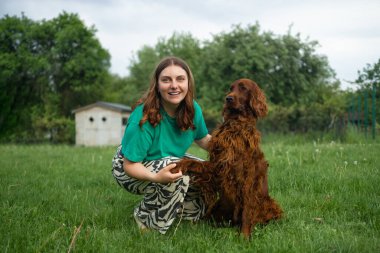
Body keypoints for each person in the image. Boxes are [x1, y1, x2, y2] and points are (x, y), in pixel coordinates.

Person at [112, 56, 211, 234]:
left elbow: (203, 139)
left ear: (188, 82)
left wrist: (234, 150)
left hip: (166, 160)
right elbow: (130, 164)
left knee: (205, 170)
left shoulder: (193, 109)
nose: (174, 85)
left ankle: (186, 217)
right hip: (130, 166)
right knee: (177, 174)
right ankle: (146, 221)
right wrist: (157, 178)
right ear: (157, 85)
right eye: (166, 80)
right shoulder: (143, 118)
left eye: (180, 79)